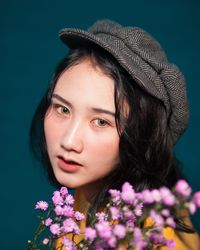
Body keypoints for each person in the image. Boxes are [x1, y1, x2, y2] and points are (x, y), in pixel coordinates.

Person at [30, 19, 200, 249]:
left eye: (100, 121)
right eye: (63, 109)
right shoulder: (87, 200)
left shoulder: (150, 239)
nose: (69, 141)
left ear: (142, 136)